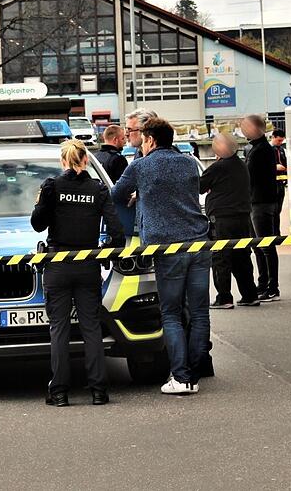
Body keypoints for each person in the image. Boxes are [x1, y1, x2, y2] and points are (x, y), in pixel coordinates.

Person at [112, 117, 211, 395]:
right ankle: (194, 372)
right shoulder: (189, 162)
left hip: (167, 247)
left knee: (170, 313)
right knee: (200, 312)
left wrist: (138, 195)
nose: (141, 145)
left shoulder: (141, 166)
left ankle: (180, 377)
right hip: (199, 243)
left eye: (143, 140)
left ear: (150, 140)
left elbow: (117, 195)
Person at [31, 139, 125, 407]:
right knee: (91, 328)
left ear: (63, 161)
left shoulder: (53, 186)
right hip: (88, 264)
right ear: (85, 160)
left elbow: (38, 225)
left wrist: (44, 201)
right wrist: (108, 249)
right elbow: (117, 231)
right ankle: (99, 390)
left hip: (58, 264)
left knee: (58, 328)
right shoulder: (97, 189)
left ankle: (59, 392)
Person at [200, 134, 260, 309]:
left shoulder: (217, 167)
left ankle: (224, 297)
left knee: (221, 258)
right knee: (242, 256)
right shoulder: (241, 165)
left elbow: (199, 187)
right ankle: (250, 294)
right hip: (242, 218)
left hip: (222, 220)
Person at [242, 115, 280, 302]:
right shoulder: (257, 148)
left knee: (265, 246)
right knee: (259, 246)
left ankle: (272, 287)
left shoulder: (260, 150)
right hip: (257, 202)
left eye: (246, 127)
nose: (243, 130)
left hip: (261, 203)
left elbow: (247, 177)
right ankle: (263, 283)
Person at [270, 129, 288, 236]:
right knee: (273, 211)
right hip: (272, 184)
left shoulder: (281, 150)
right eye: (279, 141)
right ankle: (273, 233)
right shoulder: (267, 150)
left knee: (278, 210)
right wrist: (275, 167)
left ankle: (277, 232)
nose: (280, 143)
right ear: (273, 137)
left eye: (282, 141)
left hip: (281, 183)